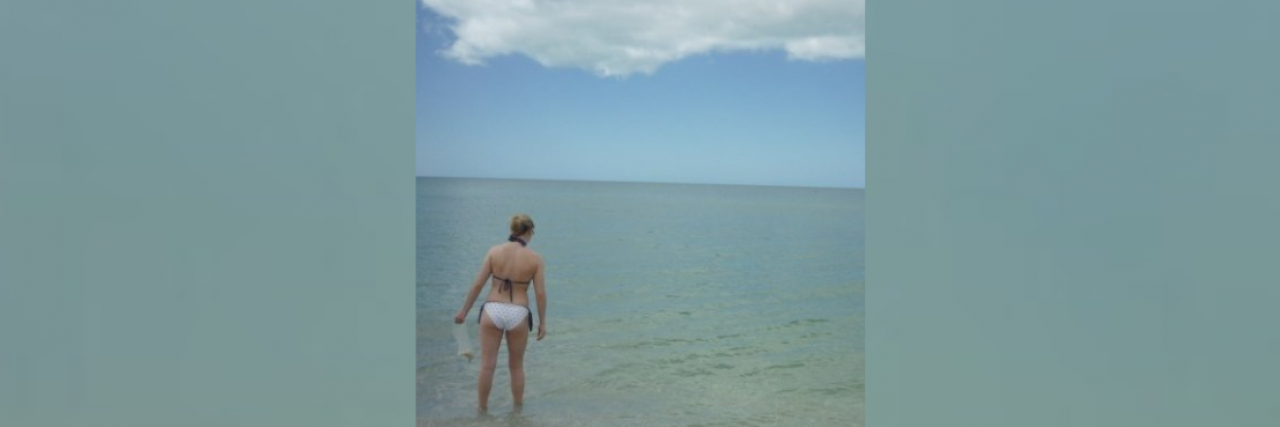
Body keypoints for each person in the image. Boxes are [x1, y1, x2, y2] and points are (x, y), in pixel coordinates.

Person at [454, 214, 547, 411]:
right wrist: (542, 322)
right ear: (529, 231)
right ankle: (518, 412)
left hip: (492, 309)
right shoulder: (535, 259)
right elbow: (540, 294)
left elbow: (478, 284)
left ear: (512, 230)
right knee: (516, 366)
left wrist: (463, 311)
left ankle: (482, 411)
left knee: (487, 366)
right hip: (519, 312)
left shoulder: (494, 252)